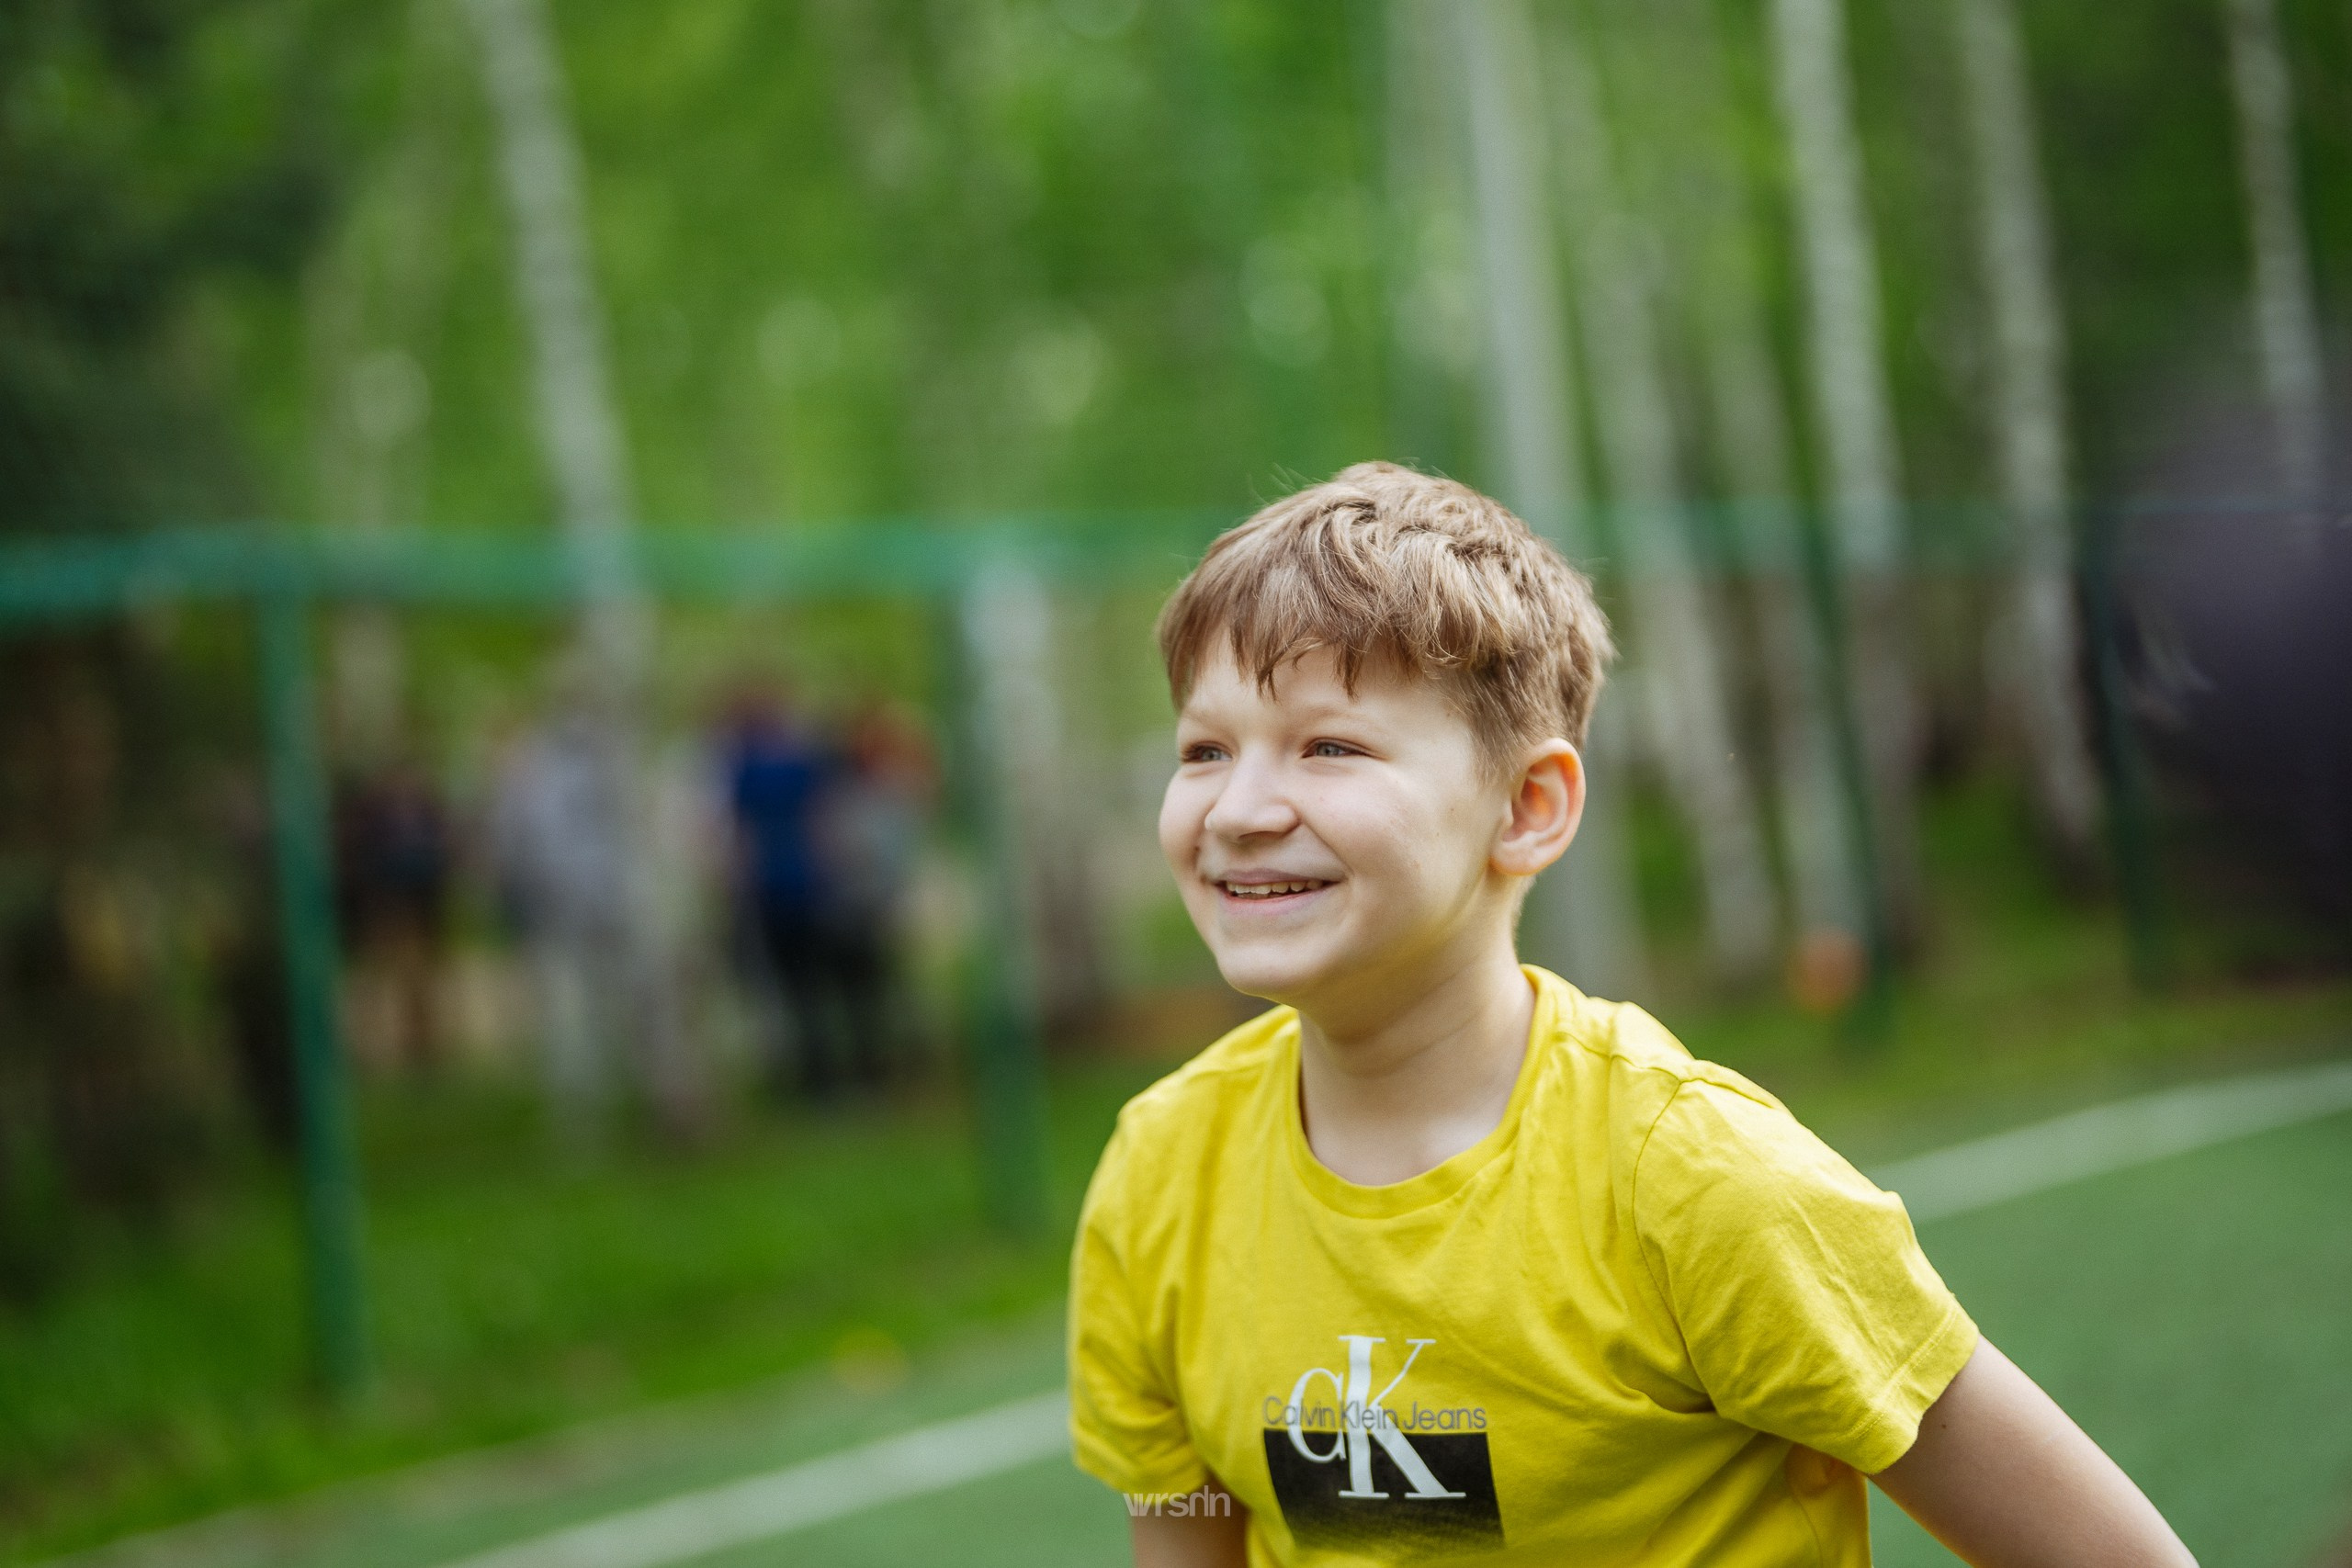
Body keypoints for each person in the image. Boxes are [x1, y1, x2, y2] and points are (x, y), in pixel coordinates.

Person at [1068, 464, 2194, 1567]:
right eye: (1204, 750)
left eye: (1330, 747)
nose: (1239, 809)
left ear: (1528, 807)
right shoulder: (1156, 1180)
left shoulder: (1696, 1182)